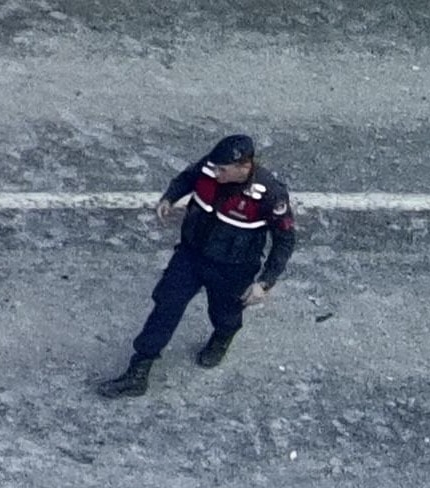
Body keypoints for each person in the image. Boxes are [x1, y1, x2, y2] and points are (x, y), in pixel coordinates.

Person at [99, 134, 300, 396]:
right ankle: (139, 370)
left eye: (223, 170)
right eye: (215, 167)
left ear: (244, 167)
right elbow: (187, 178)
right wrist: (169, 197)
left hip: (233, 267)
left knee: (224, 312)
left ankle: (223, 336)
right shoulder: (210, 167)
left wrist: (265, 282)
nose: (215, 172)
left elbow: (284, 240)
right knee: (166, 305)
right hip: (192, 254)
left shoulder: (270, 194)